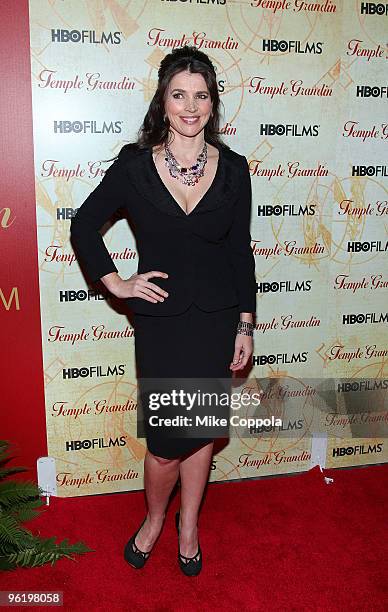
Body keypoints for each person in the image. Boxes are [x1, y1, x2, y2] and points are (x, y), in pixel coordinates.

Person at [70, 45, 256, 577]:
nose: (190, 106)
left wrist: (245, 323)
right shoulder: (134, 165)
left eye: (201, 96)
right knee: (167, 446)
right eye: (179, 95)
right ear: (164, 100)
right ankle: (155, 519)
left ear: (213, 104)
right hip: (163, 325)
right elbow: (84, 225)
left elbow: (239, 251)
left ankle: (189, 524)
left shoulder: (235, 169)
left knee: (201, 432)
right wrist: (118, 284)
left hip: (217, 322)